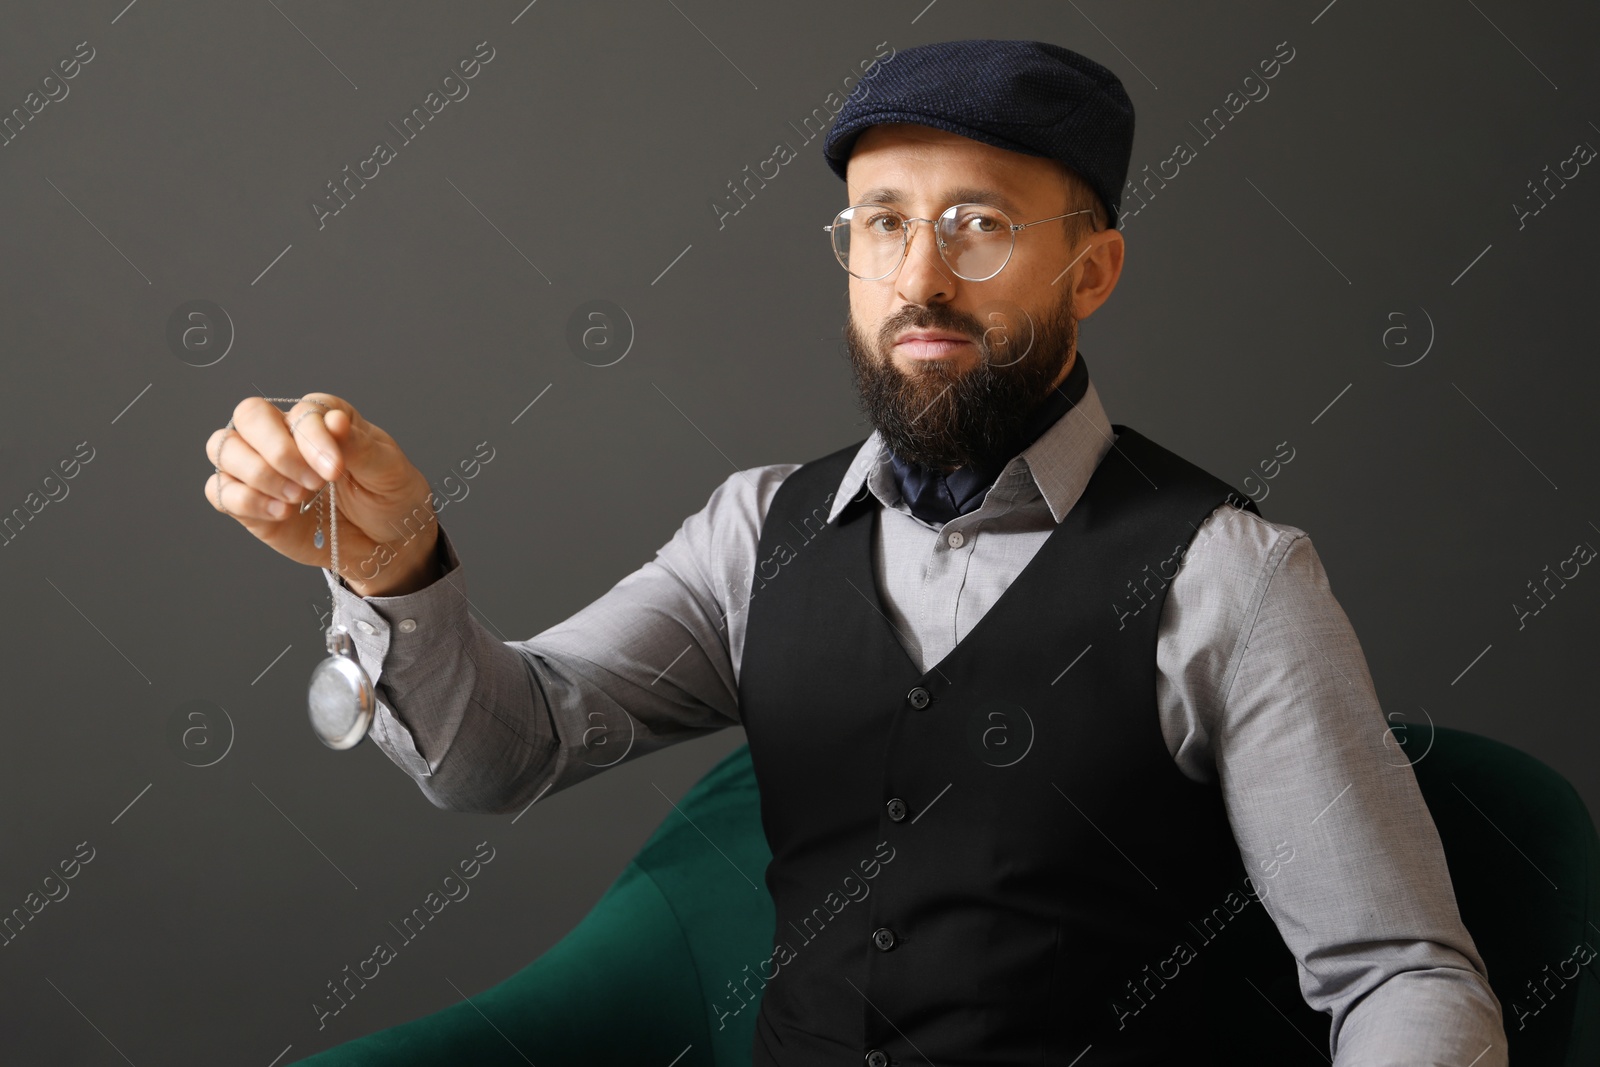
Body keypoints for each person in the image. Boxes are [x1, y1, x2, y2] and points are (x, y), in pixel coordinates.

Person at [205, 38, 1507, 1067]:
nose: (919, 275)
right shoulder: (754, 532)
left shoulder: (1232, 578)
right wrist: (396, 568)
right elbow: (507, 751)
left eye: (979, 223)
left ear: (1091, 269)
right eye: (880, 223)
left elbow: (1405, 977)